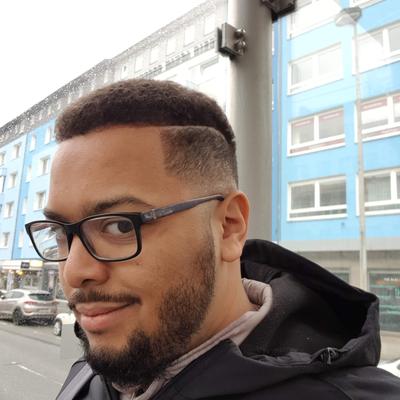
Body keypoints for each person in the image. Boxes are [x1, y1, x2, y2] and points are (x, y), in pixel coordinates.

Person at [26, 79, 400, 400]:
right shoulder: (90, 374)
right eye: (61, 233)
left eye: (119, 227)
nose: (74, 272)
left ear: (229, 227)